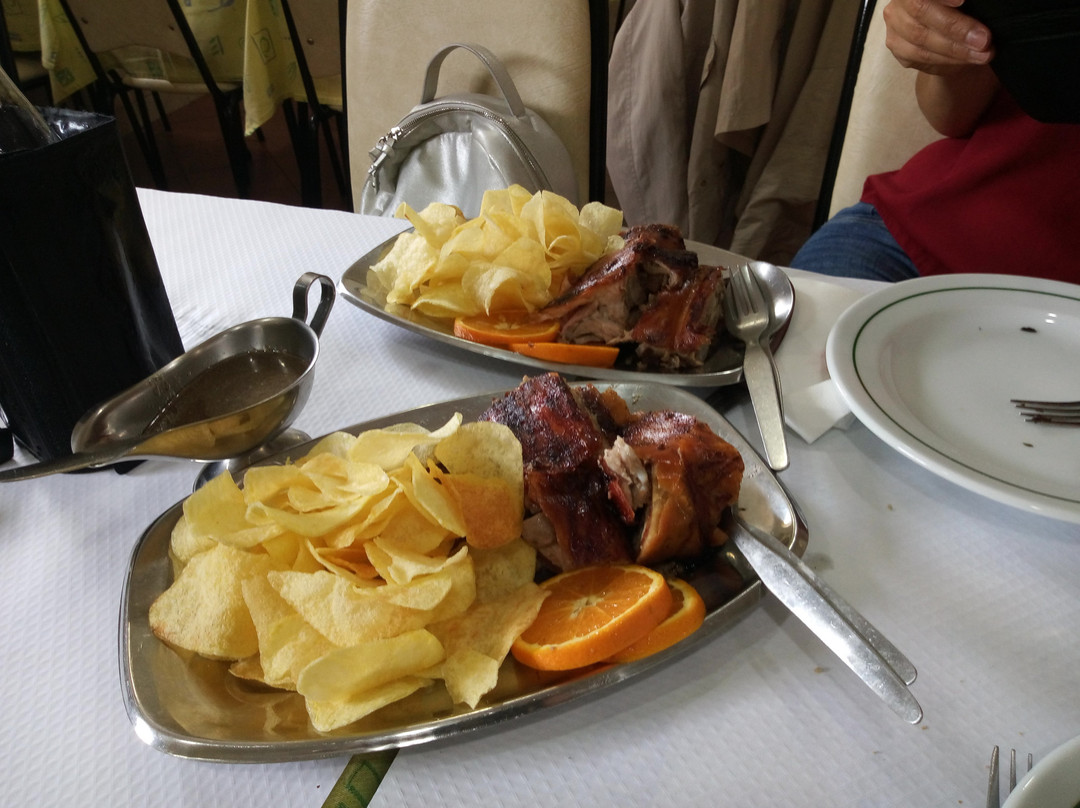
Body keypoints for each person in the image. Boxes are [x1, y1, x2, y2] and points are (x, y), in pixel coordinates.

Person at [790, 0, 1080, 284]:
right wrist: (945, 40)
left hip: (1051, 276)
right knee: (801, 309)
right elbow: (950, 118)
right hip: (920, 232)